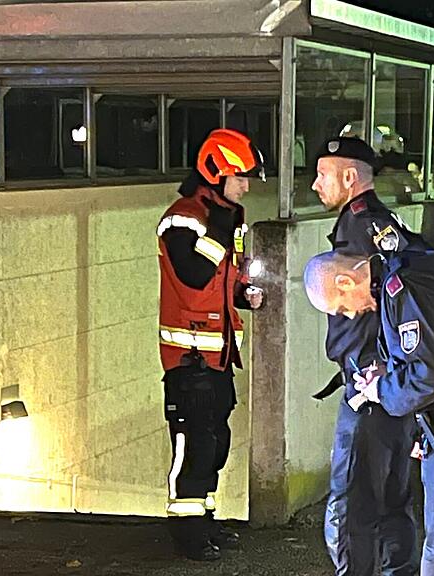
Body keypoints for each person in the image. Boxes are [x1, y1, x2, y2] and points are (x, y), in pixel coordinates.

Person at [304, 249, 434, 576]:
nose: (349, 315)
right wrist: (386, 371)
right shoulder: (407, 271)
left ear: (346, 281)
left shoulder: (405, 287)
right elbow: (433, 353)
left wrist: (380, 390)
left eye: (342, 307)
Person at [312, 136, 427, 576]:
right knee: (392, 499)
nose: (315, 185)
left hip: (369, 382)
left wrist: (376, 366)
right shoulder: (376, 222)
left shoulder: (360, 227)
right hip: (389, 380)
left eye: (323, 175)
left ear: (348, 177)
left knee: (352, 503)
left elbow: (394, 304)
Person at [156, 129, 266, 561]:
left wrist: (246, 296)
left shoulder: (229, 220)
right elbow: (195, 275)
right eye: (241, 176)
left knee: (215, 443)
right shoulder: (181, 219)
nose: (247, 185)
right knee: (194, 445)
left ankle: (205, 522)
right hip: (189, 359)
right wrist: (222, 228)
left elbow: (225, 280)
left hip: (219, 357)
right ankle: (187, 535)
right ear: (217, 171)